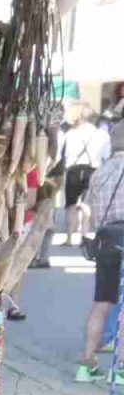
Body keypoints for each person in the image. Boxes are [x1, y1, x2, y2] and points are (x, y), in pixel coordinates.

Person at [79, 141, 124, 381]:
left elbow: (87, 209)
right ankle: (120, 369)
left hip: (105, 239)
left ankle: (86, 366)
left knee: (101, 304)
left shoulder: (100, 172)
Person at [63, 108, 111, 249]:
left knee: (71, 205)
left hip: (74, 170)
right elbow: (106, 156)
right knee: (87, 204)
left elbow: (65, 154)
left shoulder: (70, 133)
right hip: (93, 170)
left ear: (81, 118)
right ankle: (83, 236)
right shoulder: (102, 135)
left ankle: (69, 237)